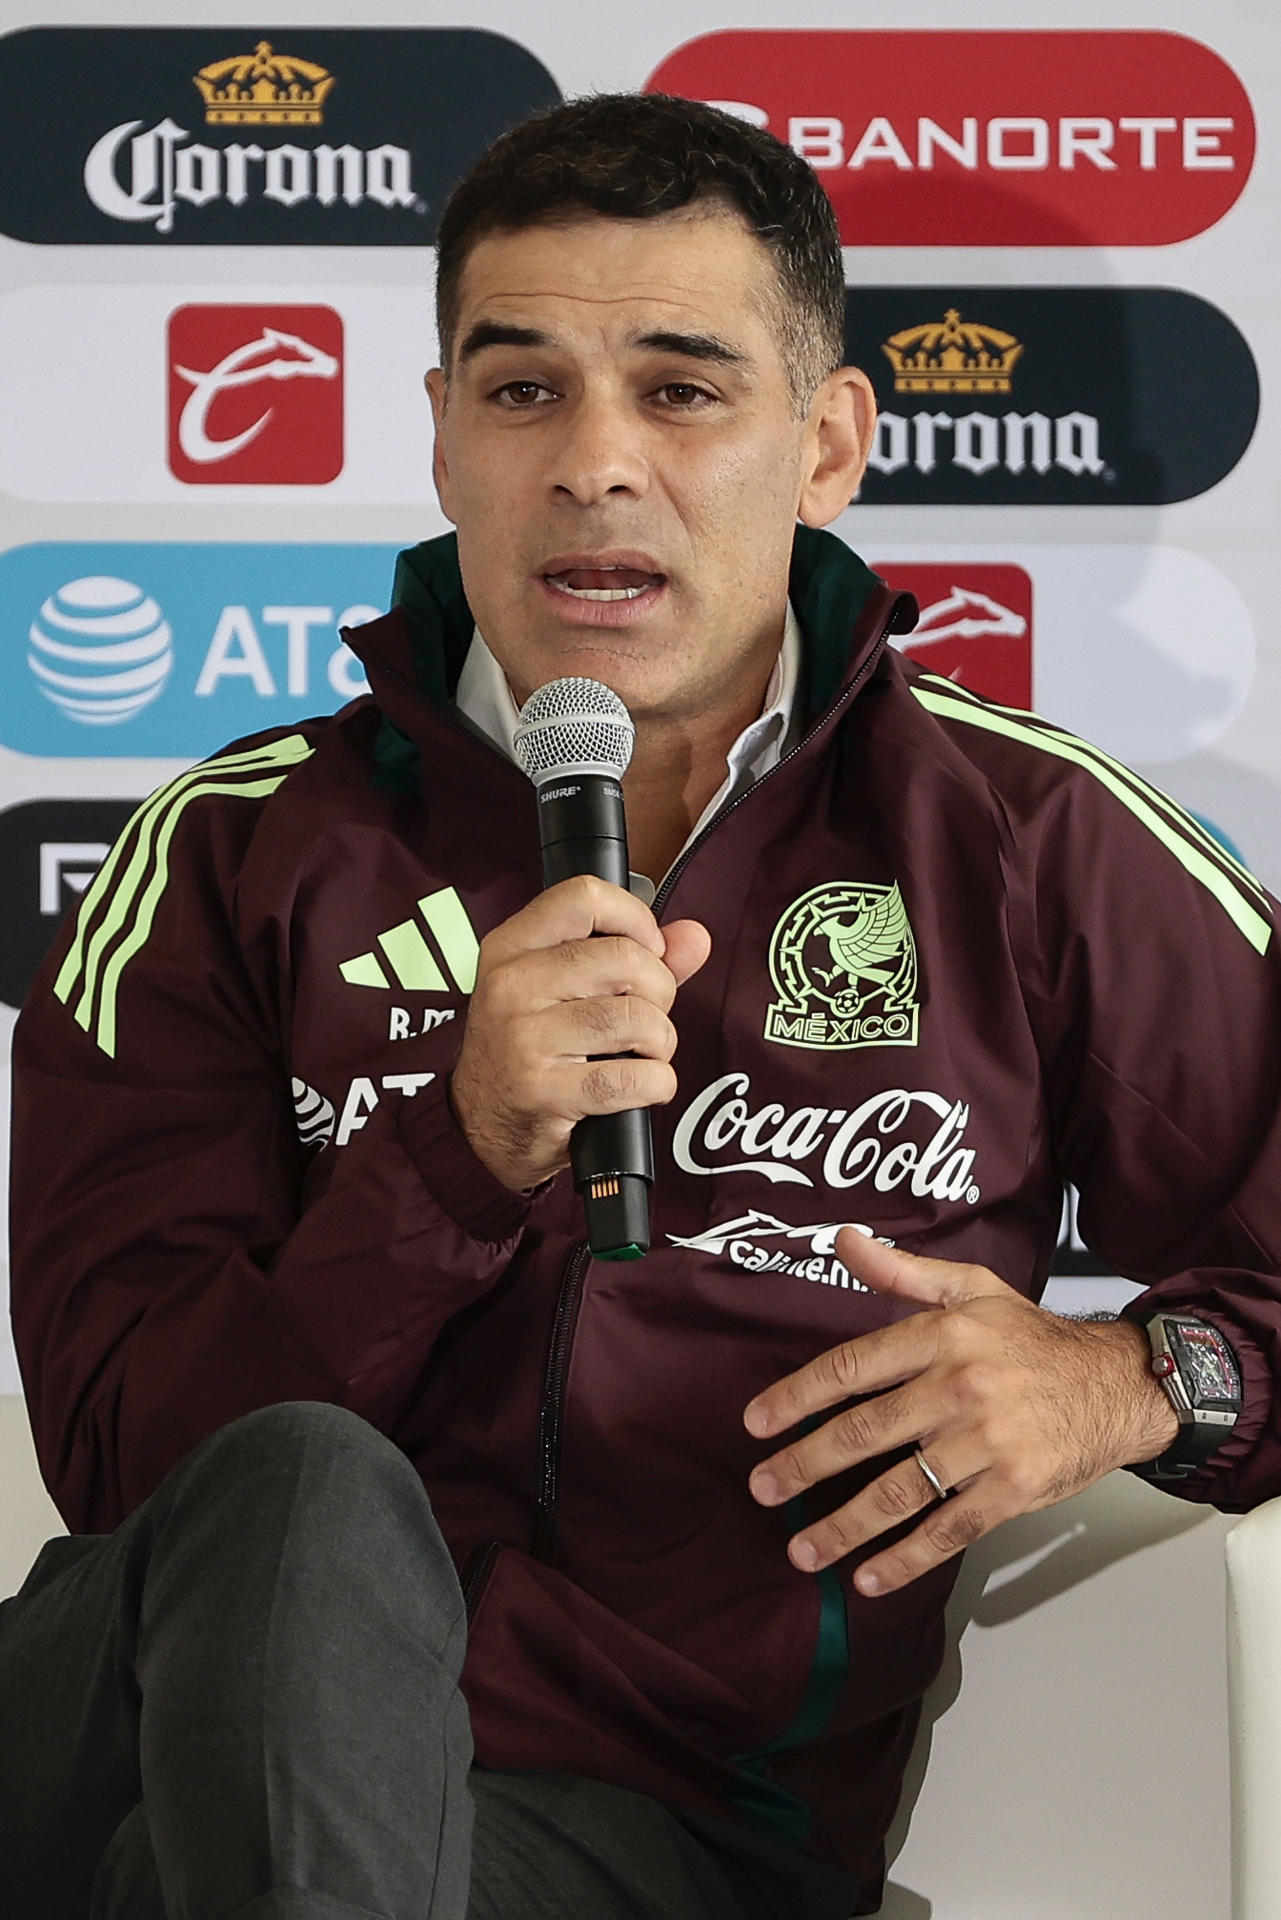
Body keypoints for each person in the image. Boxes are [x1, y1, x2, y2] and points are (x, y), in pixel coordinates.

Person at [4, 91, 1279, 1920]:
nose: (595, 464)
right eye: (523, 391)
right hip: (145, 1702)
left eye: (681, 388)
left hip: (651, 1827)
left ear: (827, 443)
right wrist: (455, 1158)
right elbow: (132, 1469)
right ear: (442, 438)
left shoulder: (1024, 840)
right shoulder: (226, 854)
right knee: (292, 1497)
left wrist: (1136, 1375)